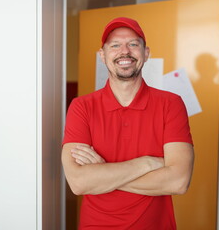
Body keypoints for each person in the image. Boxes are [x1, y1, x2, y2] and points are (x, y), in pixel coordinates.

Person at [62, 17, 194, 230]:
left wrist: (103, 174)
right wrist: (149, 163)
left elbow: (178, 181)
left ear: (146, 53)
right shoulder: (81, 107)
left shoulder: (171, 104)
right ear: (102, 56)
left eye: (133, 44)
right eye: (115, 45)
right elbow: (79, 183)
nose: (125, 51)